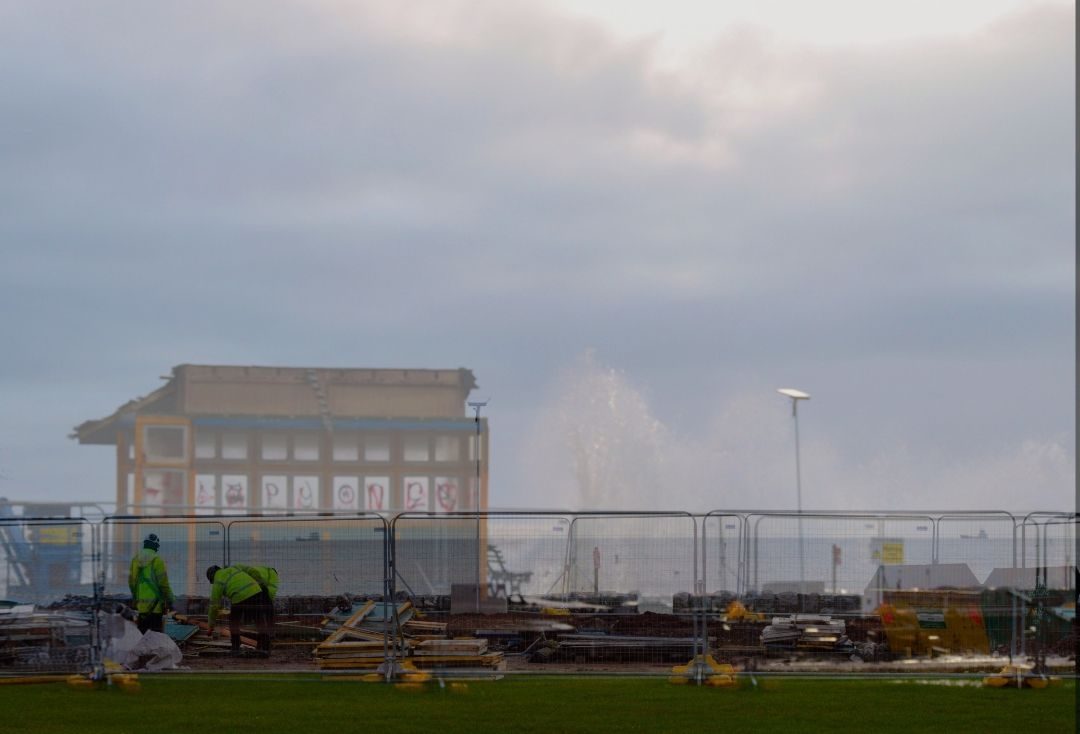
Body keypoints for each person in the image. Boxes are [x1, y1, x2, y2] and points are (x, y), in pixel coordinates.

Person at [206, 565, 273, 656]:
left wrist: (211, 625)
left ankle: (236, 648)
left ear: (211, 577)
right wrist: (261, 583)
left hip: (240, 597)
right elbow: (251, 570)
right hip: (256, 591)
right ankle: (265, 649)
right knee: (259, 621)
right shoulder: (232, 569)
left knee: (234, 623)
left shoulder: (218, 580)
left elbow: (214, 605)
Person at [128, 533, 175, 634]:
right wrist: (171, 600)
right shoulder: (157, 561)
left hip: (141, 609)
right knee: (156, 641)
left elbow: (131, 583)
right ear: (156, 546)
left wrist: (136, 599)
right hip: (155, 609)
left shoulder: (135, 560)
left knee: (142, 640)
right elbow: (163, 585)